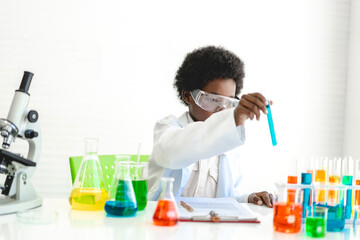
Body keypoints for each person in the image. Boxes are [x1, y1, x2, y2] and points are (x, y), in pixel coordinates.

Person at [147, 46, 273, 207]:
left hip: (210, 228)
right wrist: (232, 118)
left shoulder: (229, 142)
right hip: (166, 224)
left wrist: (248, 198)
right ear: (188, 96)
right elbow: (174, 152)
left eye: (229, 102)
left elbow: (229, 195)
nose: (222, 110)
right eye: (214, 100)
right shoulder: (167, 128)